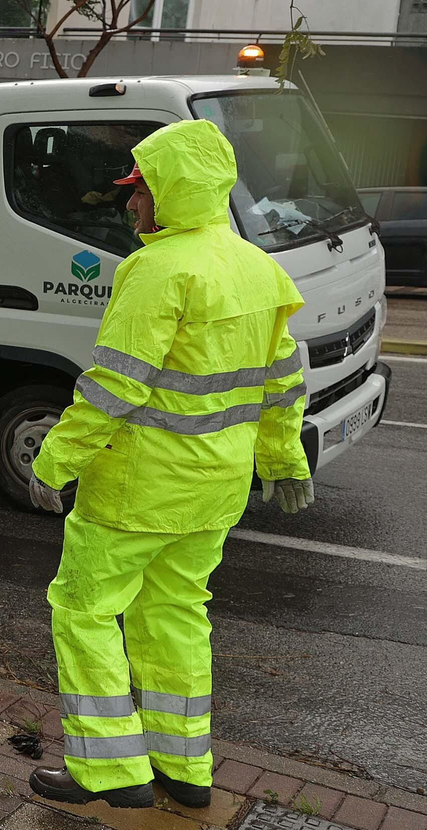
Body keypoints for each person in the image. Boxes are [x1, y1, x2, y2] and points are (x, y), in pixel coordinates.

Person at [25, 120, 314, 810]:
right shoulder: (259, 267)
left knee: (85, 610)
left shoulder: (155, 270)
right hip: (215, 491)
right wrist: (283, 458)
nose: (130, 204)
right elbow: (282, 383)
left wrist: (54, 460)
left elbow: (113, 385)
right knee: (177, 616)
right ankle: (183, 769)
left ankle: (110, 771)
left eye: (141, 189)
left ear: (175, 190)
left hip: (136, 489)